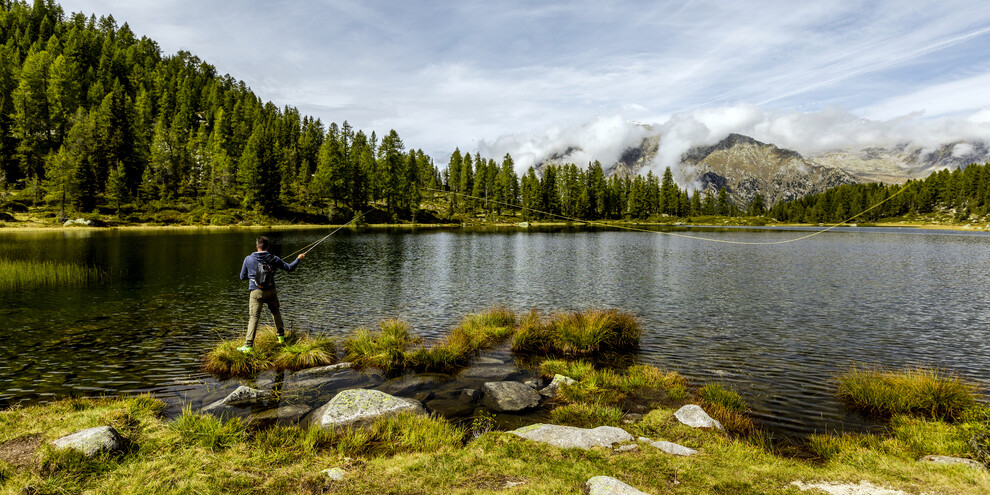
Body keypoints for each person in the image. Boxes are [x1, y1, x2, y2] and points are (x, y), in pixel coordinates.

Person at [237, 236, 305, 353]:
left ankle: (248, 346)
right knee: (275, 312)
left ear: (256, 246)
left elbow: (242, 277)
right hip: (271, 291)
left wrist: (253, 276)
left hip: (256, 292)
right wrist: (298, 259)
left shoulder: (248, 259)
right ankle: (281, 337)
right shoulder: (274, 258)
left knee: (254, 318)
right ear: (268, 247)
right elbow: (289, 268)